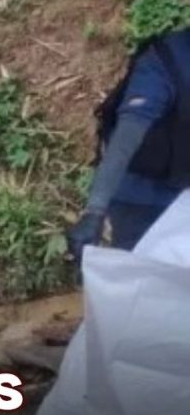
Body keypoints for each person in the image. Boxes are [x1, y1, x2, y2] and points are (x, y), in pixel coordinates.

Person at [67, 27, 190, 260]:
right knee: (146, 283)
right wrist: (95, 211)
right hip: (142, 199)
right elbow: (127, 136)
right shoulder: (166, 61)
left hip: (184, 195)